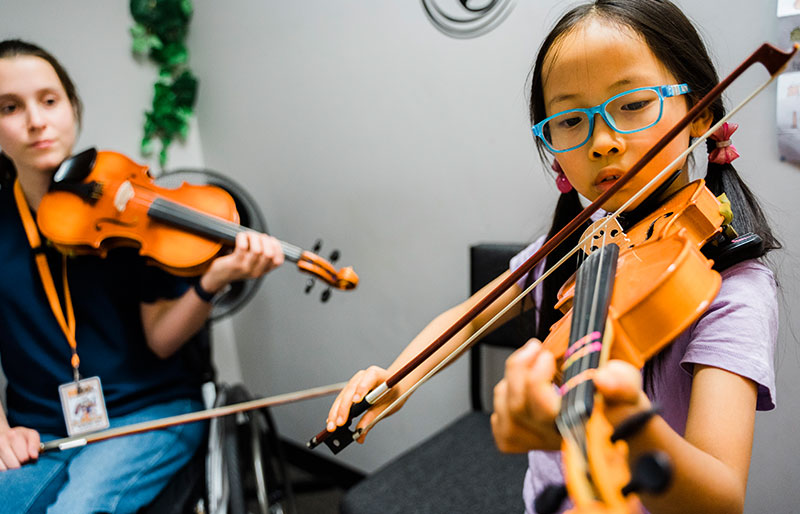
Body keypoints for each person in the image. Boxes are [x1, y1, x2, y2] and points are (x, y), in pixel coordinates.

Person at [325, 1, 779, 513]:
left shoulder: (731, 288)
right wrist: (396, 381)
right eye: (569, 120)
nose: (602, 142)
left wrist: (628, 422)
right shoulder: (576, 248)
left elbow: (720, 499)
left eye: (632, 104)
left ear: (701, 114)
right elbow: (467, 319)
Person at [0, 39, 285, 513]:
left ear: (73, 108)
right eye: (10, 107)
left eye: (49, 100)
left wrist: (212, 281)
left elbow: (160, 341)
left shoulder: (127, 205)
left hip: (147, 414)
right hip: (43, 429)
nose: (35, 120)